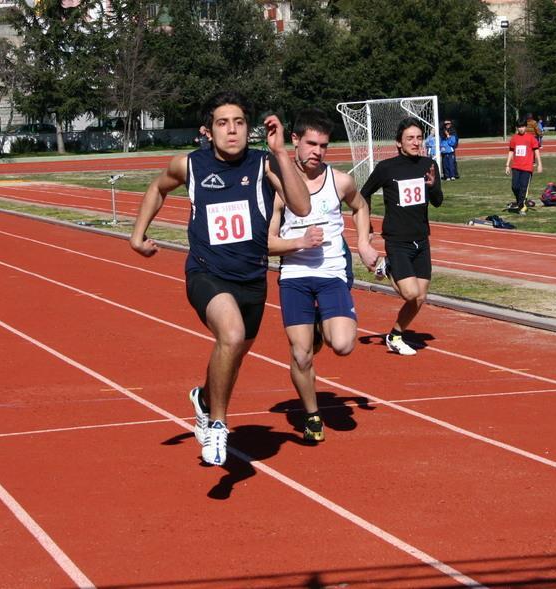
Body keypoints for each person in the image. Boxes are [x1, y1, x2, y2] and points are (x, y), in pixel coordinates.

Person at [129, 91, 310, 466]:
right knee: (230, 335)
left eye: (240, 123)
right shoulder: (190, 165)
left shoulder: (264, 165)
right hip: (206, 273)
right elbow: (157, 188)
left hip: (252, 278)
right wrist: (137, 234)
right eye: (223, 123)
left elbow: (302, 206)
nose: (232, 130)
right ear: (208, 131)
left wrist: (279, 152)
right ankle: (217, 424)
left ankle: (205, 399)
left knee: (232, 356)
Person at [268, 109, 379, 442]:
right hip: (295, 275)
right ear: (296, 141)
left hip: (331, 272)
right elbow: (268, 244)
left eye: (324, 145)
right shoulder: (277, 184)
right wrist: (299, 242)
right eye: (311, 143)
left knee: (343, 345)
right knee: (301, 354)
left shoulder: (340, 181)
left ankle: (321, 325)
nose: (317, 151)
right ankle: (312, 414)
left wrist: (362, 242)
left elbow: (360, 207)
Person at [360, 117, 444, 356]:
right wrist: (366, 225)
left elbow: (438, 202)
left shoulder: (429, 164)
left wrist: (432, 185)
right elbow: (363, 194)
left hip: (421, 239)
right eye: (410, 138)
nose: (415, 142)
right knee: (410, 293)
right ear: (399, 143)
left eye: (419, 138)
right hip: (397, 239)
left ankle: (395, 335)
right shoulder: (387, 168)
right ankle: (387, 267)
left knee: (419, 298)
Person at [505, 118, 543, 214]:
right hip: (516, 167)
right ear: (517, 128)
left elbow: (536, 151)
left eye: (522, 126)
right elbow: (511, 151)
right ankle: (521, 203)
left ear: (525, 127)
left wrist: (539, 164)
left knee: (523, 188)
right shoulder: (514, 138)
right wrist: (507, 165)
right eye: (519, 127)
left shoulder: (531, 138)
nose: (521, 129)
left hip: (527, 168)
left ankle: (522, 207)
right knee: (514, 187)